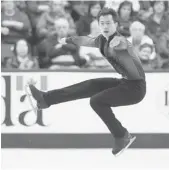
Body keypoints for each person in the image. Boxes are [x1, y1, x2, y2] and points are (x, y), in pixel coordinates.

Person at [28, 8, 146, 156]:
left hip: (135, 88)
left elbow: (133, 68)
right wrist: (68, 39)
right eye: (102, 23)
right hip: (125, 83)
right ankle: (46, 99)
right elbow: (87, 40)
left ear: (116, 24)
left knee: (96, 101)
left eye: (109, 23)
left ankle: (121, 135)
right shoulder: (102, 39)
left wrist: (120, 51)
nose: (105, 26)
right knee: (91, 85)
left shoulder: (120, 42)